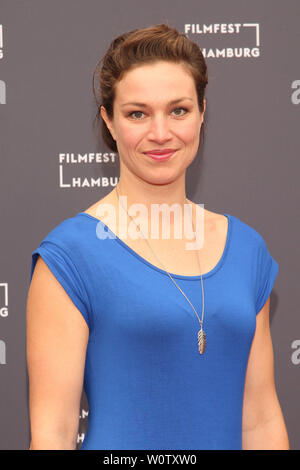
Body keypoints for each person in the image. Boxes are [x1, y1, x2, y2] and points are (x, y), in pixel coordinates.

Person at [26, 23, 289, 450]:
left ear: (202, 112)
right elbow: (53, 434)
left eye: (179, 110)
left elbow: (259, 419)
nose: (161, 133)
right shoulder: (71, 256)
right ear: (109, 122)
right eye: (137, 113)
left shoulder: (247, 250)